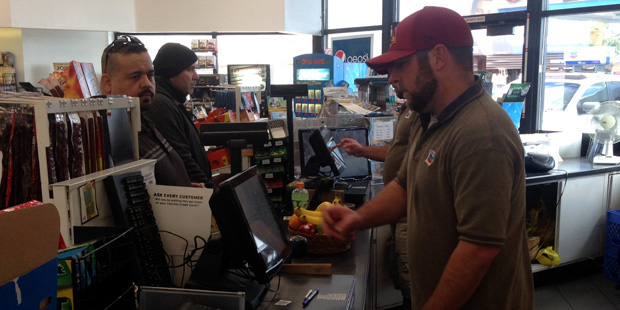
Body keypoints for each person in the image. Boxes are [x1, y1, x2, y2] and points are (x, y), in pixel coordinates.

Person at [323, 6, 534, 310]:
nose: (392, 78)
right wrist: (357, 219)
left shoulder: (482, 133)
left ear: (438, 56)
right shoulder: (433, 119)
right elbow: (406, 186)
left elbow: (478, 249)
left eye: (402, 65)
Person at [337, 93, 415, 308]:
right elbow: (398, 153)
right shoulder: (412, 109)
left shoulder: (429, 114)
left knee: (413, 288)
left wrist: (357, 218)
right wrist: (363, 151)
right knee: (406, 281)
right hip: (401, 212)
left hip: (412, 215)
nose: (394, 79)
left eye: (399, 67)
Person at [99, 36, 193, 187]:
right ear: (108, 83)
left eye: (150, 75)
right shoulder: (105, 139)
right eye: (135, 77)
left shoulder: (144, 123)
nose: (147, 83)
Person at [148, 43, 212, 186]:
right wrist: (211, 194)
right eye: (190, 70)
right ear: (172, 72)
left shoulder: (172, 100)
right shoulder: (162, 106)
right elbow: (182, 160)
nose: (196, 76)